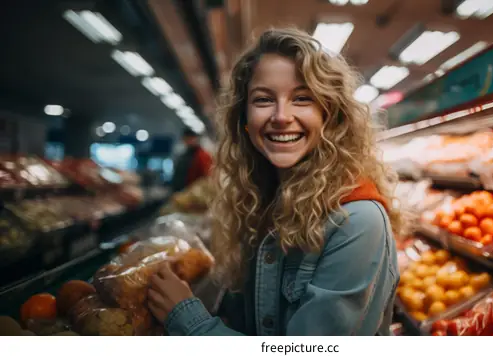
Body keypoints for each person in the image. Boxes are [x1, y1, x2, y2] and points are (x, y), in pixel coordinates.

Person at [147, 27, 402, 336]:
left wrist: (185, 317)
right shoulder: (262, 200)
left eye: (302, 99)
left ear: (330, 116)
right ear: (243, 120)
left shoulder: (357, 221)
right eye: (264, 99)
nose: (281, 116)